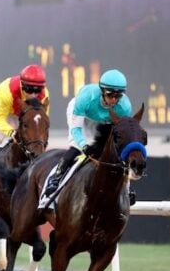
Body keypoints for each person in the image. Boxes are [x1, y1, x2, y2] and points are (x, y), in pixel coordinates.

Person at [42, 69, 133, 200]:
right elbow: (76, 130)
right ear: (102, 91)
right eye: (110, 95)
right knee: (77, 147)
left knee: (117, 151)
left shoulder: (124, 107)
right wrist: (84, 145)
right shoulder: (86, 98)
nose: (113, 100)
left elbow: (124, 135)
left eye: (118, 96)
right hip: (83, 115)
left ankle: (128, 187)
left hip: (106, 120)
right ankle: (55, 178)